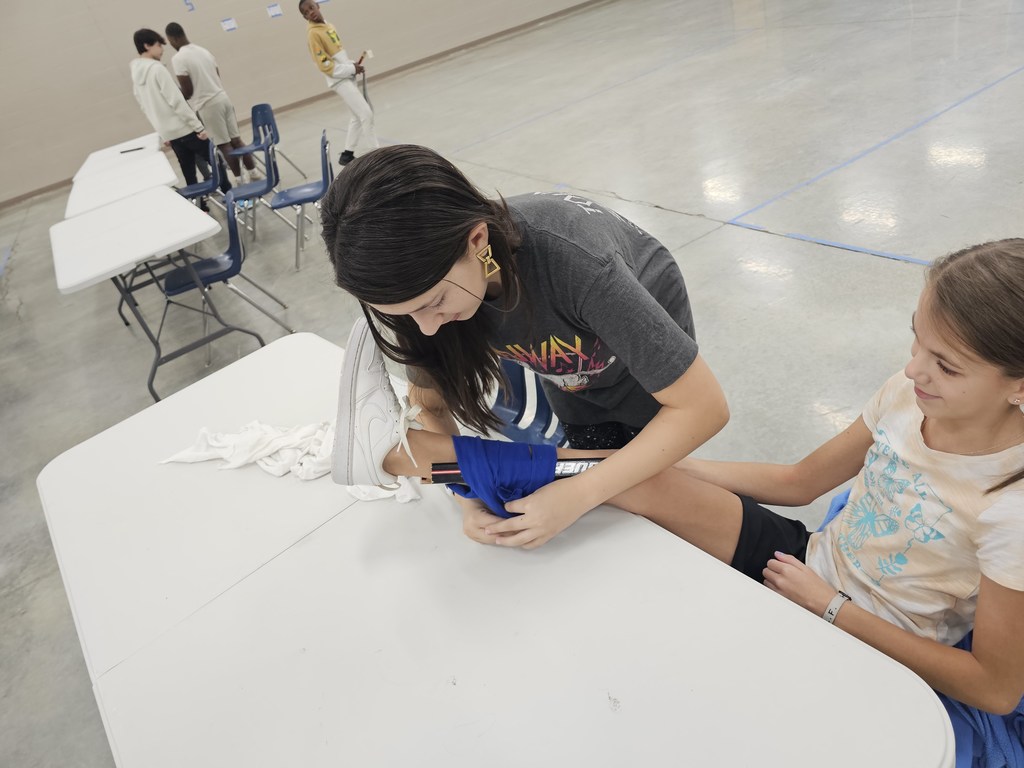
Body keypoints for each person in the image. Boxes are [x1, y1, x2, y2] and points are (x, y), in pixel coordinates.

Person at [335, 239, 1024, 762]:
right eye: (916, 339)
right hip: (809, 564)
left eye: (946, 364)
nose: (912, 368)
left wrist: (829, 606)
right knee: (621, 475)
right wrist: (666, 464)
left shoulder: (1011, 505)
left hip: (872, 641)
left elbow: (993, 689)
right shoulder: (908, 395)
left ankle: (421, 456)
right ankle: (416, 456)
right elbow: (800, 481)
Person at [323, 144, 730, 548]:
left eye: (434, 304)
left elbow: (702, 409)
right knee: (608, 481)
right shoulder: (423, 290)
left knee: (662, 489)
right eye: (408, 315)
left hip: (635, 363)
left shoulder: (578, 264)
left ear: (477, 241)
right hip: (569, 368)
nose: (426, 329)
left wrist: (581, 493)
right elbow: (430, 404)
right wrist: (467, 493)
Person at [130, 29, 229, 211]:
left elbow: (146, 108)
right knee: (217, 162)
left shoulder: (136, 74)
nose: (162, 49)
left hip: (170, 134)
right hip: (186, 129)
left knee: (189, 173)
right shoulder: (156, 69)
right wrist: (198, 127)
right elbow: (176, 101)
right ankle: (232, 199)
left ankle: (200, 207)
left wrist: (162, 133)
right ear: (147, 45)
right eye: (159, 45)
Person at [164, 22, 262, 187]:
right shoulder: (203, 51)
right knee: (236, 140)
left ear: (172, 38)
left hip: (207, 104)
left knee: (224, 144)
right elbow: (217, 75)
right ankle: (254, 173)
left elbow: (188, 91)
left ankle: (241, 182)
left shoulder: (179, 58)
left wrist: (174, 94)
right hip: (223, 97)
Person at [298, 0, 380, 166]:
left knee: (357, 117)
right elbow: (325, 65)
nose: (311, 12)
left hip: (347, 75)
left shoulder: (328, 26)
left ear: (318, 6)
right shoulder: (313, 34)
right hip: (338, 80)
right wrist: (350, 69)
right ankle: (377, 156)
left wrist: (354, 65)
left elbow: (339, 56)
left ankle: (347, 155)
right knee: (366, 113)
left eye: (312, 8)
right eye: (306, 12)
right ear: (305, 17)